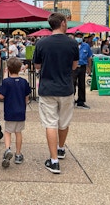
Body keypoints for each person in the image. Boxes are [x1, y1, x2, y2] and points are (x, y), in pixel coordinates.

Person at [33, 12, 79, 174]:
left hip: (47, 88)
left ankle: (53, 161)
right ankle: (60, 149)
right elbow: (74, 66)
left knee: (50, 123)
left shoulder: (41, 43)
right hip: (66, 88)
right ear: (62, 23)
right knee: (64, 122)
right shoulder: (72, 44)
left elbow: (37, 66)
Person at [0, 57, 31, 168]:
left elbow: (2, 96)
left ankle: (8, 149)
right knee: (18, 133)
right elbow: (26, 97)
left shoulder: (6, 82)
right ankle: (18, 154)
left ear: (8, 68)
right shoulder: (23, 82)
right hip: (20, 112)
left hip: (9, 111)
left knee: (8, 131)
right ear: (20, 69)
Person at [73, 31, 93, 109]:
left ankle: (81, 101)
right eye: (77, 36)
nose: (79, 38)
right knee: (72, 84)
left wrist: (89, 68)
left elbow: (89, 57)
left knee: (82, 84)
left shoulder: (86, 46)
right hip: (73, 67)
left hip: (82, 66)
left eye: (80, 36)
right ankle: (71, 100)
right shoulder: (72, 45)